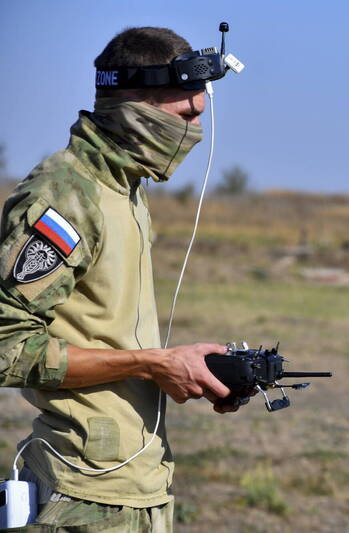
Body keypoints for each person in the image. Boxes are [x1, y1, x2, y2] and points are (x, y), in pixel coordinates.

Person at [0, 27, 235, 531]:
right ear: (137, 107)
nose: (197, 131)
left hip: (138, 483)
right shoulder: (66, 196)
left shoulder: (125, 188)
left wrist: (194, 371)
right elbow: (7, 346)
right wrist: (153, 364)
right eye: (187, 115)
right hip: (83, 491)